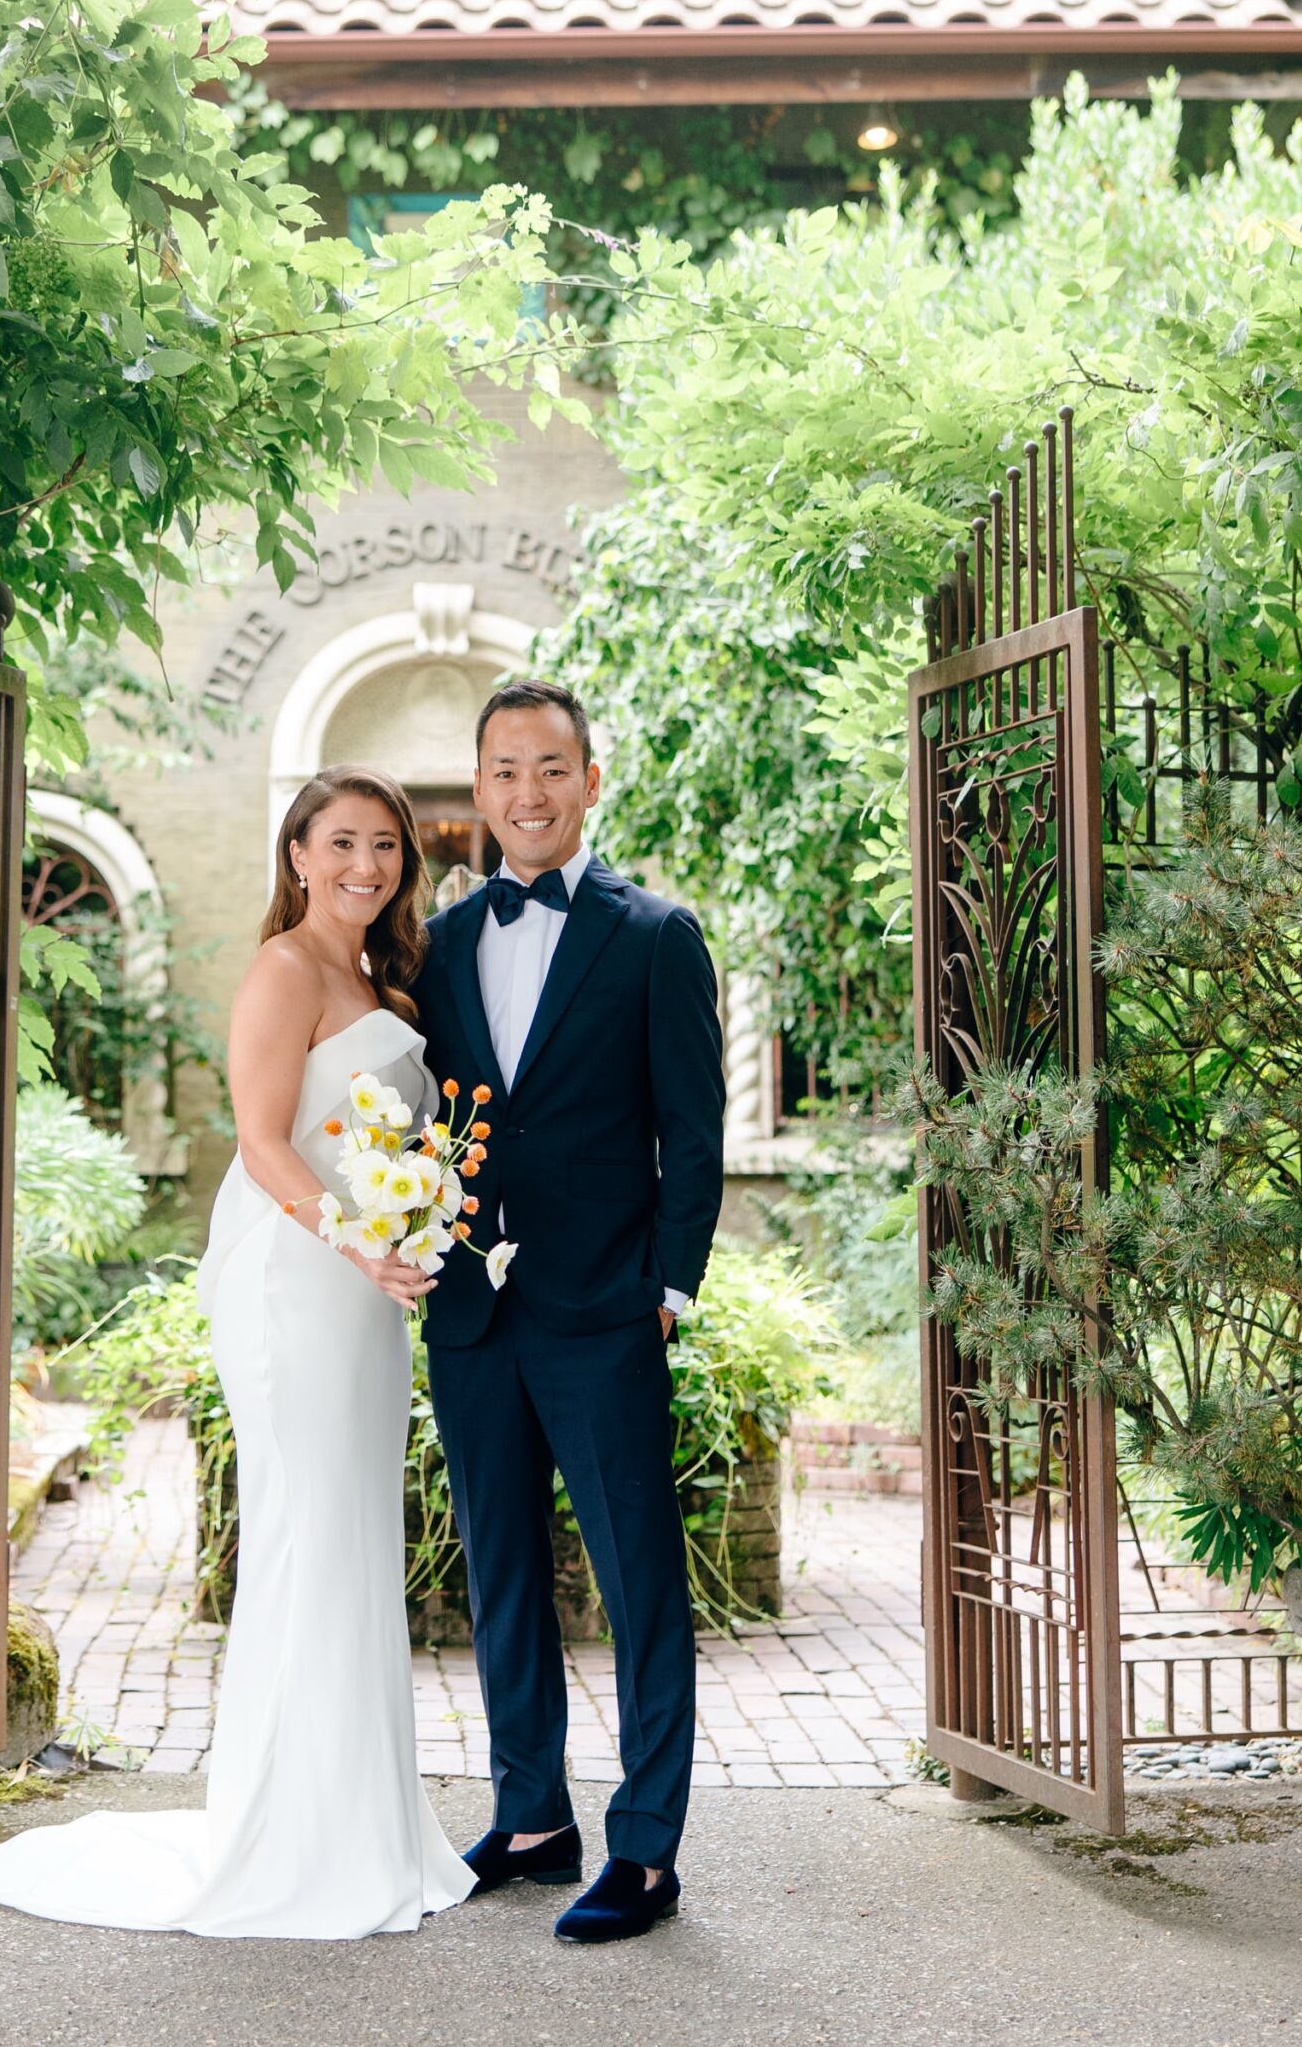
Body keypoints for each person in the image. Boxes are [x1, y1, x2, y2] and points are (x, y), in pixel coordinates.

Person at [0, 765, 474, 1939]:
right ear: (297, 853)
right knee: (303, 1529)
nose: (367, 864)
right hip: (298, 1282)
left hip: (366, 1284)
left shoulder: (378, 973)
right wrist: (363, 1241)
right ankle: (286, 1837)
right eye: (342, 842)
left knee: (354, 1530)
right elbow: (259, 1140)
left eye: (386, 845)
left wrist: (414, 1220)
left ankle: (364, 1825)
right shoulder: (284, 969)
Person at [415, 679, 725, 1945]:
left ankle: (646, 1847)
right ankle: (534, 1814)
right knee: (500, 1573)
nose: (527, 793)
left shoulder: (656, 934)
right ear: (479, 787)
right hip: (473, 1311)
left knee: (640, 1582)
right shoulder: (435, 947)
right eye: (503, 770)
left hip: (605, 1312)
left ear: (591, 780)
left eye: (552, 768)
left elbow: (693, 1135)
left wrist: (666, 1289)